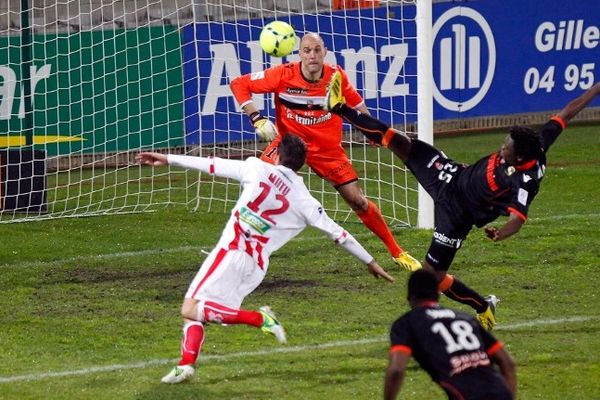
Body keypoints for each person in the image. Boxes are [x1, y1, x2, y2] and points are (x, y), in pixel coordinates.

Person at [326, 74, 600, 330]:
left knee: (431, 276)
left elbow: (517, 220)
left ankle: (483, 305)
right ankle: (339, 108)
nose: (502, 148)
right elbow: (569, 110)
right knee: (399, 141)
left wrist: (499, 233)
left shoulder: (525, 180)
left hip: (456, 214)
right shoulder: (535, 142)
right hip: (451, 175)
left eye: (506, 148)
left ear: (518, 158)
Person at [136, 134, 395, 384]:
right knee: (197, 314)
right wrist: (370, 262)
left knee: (189, 308)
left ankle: (259, 319)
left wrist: (168, 158)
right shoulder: (305, 200)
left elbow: (211, 164)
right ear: (302, 164)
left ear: (278, 155)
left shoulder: (256, 168)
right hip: (256, 265)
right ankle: (185, 366)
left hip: (232, 250)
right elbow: (339, 234)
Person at [229, 32, 421, 272]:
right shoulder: (282, 74)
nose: (312, 55)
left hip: (328, 151)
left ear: (325, 52)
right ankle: (237, 250)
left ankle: (397, 252)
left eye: (317, 50)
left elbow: (356, 104)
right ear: (299, 54)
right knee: (258, 188)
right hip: (289, 145)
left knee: (357, 200)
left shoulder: (335, 77)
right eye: (307, 50)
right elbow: (238, 83)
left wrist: (373, 132)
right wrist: (256, 117)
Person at [384, 269, 516, 400]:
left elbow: (396, 370)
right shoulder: (466, 318)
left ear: (409, 296)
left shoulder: (407, 323)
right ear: (438, 294)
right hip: (501, 392)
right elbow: (507, 362)